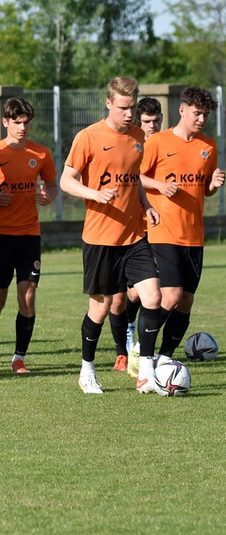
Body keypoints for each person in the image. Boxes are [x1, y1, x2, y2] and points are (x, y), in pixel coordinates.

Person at [60, 76, 163, 394]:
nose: (129, 114)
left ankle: (146, 372)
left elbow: (133, 180)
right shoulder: (88, 137)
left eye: (132, 107)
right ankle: (87, 370)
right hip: (100, 239)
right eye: (122, 108)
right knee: (100, 308)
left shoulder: (137, 137)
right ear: (108, 103)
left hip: (135, 236)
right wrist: (94, 193)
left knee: (153, 297)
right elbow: (66, 180)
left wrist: (146, 205)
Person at [139, 86, 225, 360]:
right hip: (164, 230)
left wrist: (212, 185)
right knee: (172, 295)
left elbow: (204, 188)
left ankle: (164, 358)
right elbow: (136, 178)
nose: (202, 119)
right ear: (182, 110)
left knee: (186, 301)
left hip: (194, 235)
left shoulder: (208, 146)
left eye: (206, 115)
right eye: (197, 113)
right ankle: (143, 354)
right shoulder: (157, 142)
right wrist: (160, 186)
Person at [0, 98, 57, 373]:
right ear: (5, 122)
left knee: (28, 297)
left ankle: (19, 358)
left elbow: (52, 184)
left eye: (26, 122)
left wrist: (49, 196)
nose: (22, 128)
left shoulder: (42, 154)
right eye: (17, 122)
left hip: (28, 235)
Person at [111, 95, 163, 373]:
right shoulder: (132, 142)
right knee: (123, 296)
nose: (151, 126)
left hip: (154, 229)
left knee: (152, 292)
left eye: (155, 121)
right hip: (120, 229)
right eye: (146, 121)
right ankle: (124, 346)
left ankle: (144, 352)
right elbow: (133, 176)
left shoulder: (162, 143)